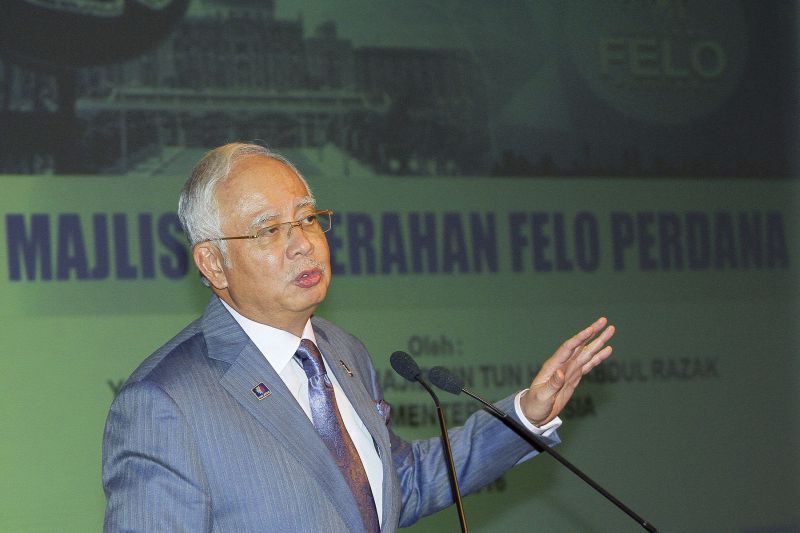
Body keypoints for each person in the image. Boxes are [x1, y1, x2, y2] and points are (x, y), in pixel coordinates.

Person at [102, 143, 614, 532]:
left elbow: (395, 486)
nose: (302, 243)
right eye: (268, 230)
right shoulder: (165, 403)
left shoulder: (342, 352)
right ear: (214, 262)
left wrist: (527, 415)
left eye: (307, 218)